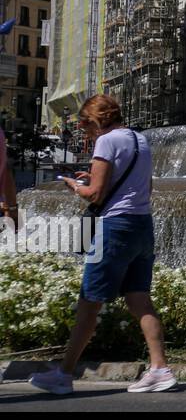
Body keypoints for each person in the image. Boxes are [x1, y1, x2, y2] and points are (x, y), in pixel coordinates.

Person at [28, 95, 177, 395]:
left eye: (84, 124)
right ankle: (160, 369)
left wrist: (76, 186)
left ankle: (64, 374)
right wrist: (97, 180)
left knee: (89, 302)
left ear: (97, 120)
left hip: (113, 227)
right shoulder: (140, 139)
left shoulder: (106, 142)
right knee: (140, 301)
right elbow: (145, 187)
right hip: (142, 226)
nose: (83, 130)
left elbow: (95, 195)